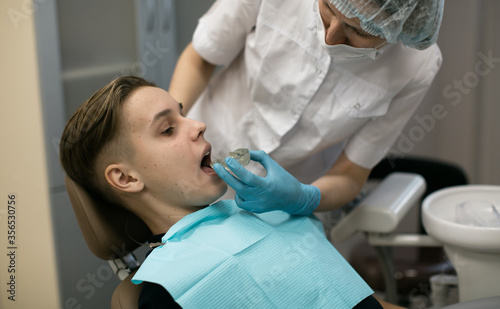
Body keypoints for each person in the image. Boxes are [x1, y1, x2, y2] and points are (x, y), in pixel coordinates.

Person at [59, 76, 404, 308]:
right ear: (126, 178)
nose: (198, 124)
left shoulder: (265, 210)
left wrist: (301, 199)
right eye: (167, 130)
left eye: (184, 115)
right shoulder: (167, 291)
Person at [168, 0, 446, 215]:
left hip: (287, 200)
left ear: (400, 27)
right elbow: (201, 58)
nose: (331, 36)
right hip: (201, 152)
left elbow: (350, 174)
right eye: (327, 7)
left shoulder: (415, 67)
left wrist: (302, 197)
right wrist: (172, 132)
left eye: (358, 30)